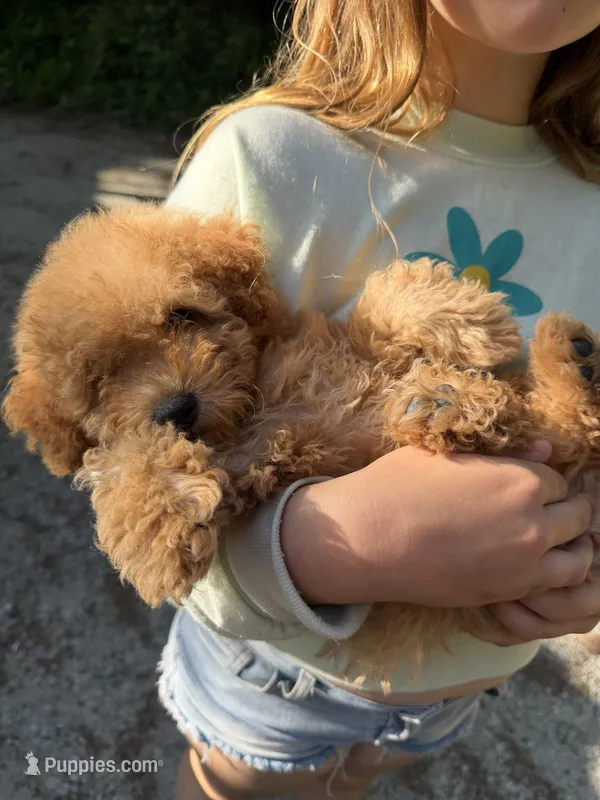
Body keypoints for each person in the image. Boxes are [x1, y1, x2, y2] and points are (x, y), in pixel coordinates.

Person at [158, 2, 600, 797]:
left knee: (353, 777)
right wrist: (332, 546)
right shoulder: (269, 158)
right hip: (275, 679)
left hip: (463, 687)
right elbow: (142, 474)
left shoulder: (591, 194)